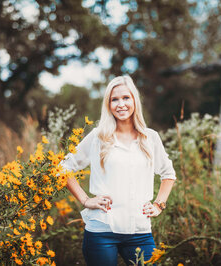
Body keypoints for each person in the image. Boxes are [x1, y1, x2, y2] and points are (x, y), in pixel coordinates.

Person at [62, 75, 176, 266]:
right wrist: (85, 200)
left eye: (126, 98)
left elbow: (168, 174)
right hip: (101, 232)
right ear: (108, 105)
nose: (120, 104)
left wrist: (158, 205)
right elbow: (64, 168)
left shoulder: (151, 138)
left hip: (140, 232)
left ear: (134, 101)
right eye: (114, 99)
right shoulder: (98, 137)